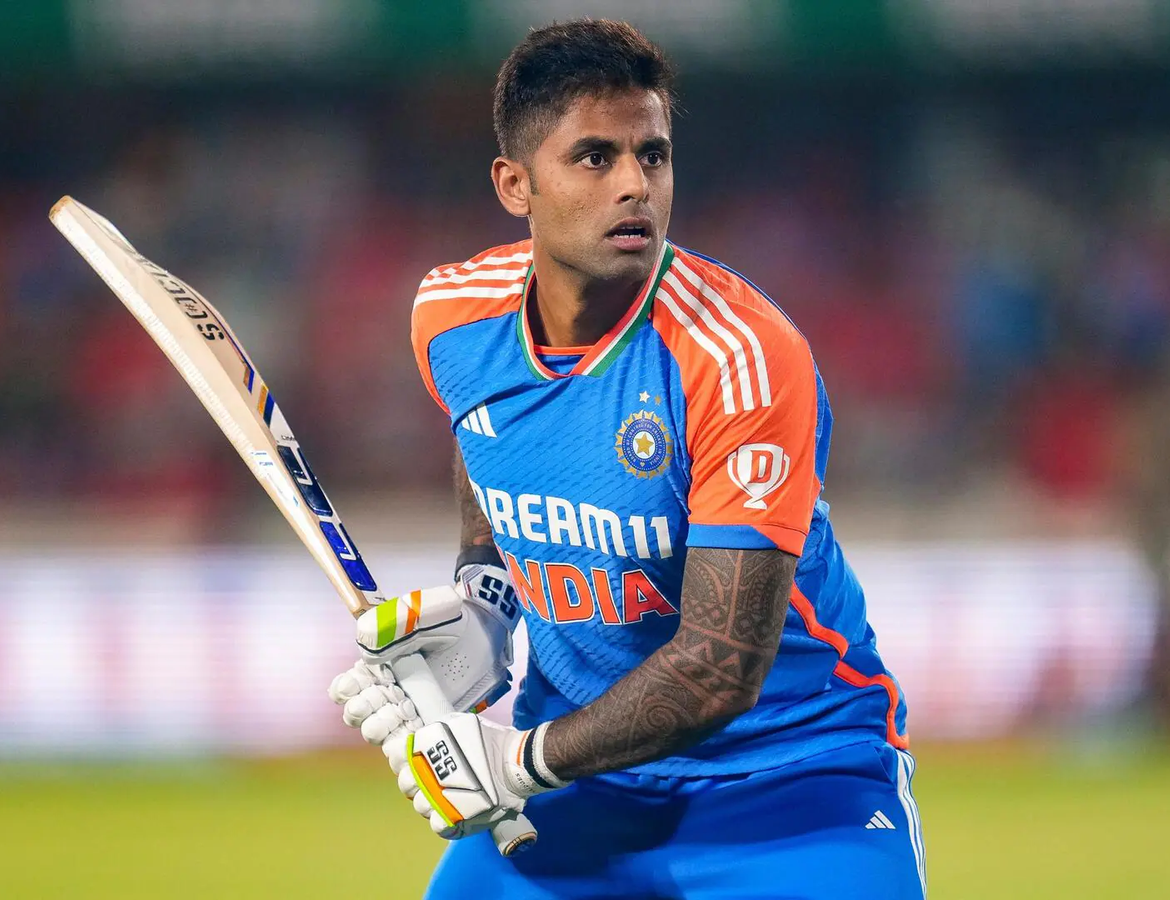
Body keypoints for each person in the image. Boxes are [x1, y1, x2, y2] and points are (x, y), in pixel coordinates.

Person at [329, 19, 924, 899]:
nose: (636, 184)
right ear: (515, 185)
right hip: (585, 784)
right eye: (595, 158)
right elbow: (487, 440)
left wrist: (514, 763)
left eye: (653, 155)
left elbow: (720, 667)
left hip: (791, 780)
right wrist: (486, 598)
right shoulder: (453, 319)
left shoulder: (738, 357)